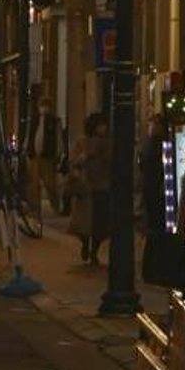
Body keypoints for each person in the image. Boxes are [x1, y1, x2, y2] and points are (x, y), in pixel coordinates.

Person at [67, 110, 111, 265]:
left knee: (101, 223)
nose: (103, 128)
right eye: (100, 125)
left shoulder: (107, 142)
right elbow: (73, 161)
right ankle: (86, 244)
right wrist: (85, 157)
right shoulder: (82, 142)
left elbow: (111, 162)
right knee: (84, 223)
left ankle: (94, 251)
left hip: (102, 186)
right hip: (86, 187)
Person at [25, 94, 64, 216]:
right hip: (34, 155)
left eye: (46, 106)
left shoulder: (54, 121)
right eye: (42, 105)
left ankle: (56, 206)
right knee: (34, 184)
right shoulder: (34, 120)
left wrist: (58, 153)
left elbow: (58, 139)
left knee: (50, 184)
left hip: (47, 156)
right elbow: (29, 135)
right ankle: (35, 209)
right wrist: (26, 149)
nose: (43, 108)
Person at [139, 112, 168, 236]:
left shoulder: (161, 143)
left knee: (157, 216)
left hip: (158, 184)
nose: (153, 127)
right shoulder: (150, 143)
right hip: (150, 184)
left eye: (156, 124)